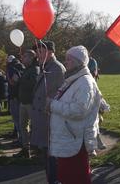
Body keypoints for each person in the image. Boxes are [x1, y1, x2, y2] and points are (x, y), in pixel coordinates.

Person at [49, 45, 103, 184]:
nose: (65, 62)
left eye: (69, 59)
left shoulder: (84, 82)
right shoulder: (73, 79)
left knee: (76, 177)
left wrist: (52, 105)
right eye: (66, 59)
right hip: (69, 137)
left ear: (79, 62)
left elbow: (79, 110)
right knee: (67, 177)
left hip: (75, 140)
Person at [31, 41, 65, 184]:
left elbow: (60, 92)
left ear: (50, 52)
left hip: (50, 117)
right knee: (47, 155)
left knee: (52, 155)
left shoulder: (56, 68)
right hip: (43, 117)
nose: (37, 54)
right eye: (37, 51)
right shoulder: (45, 66)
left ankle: (56, 181)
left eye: (41, 51)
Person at [14, 50, 39, 158]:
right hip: (23, 102)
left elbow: (34, 84)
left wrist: (19, 80)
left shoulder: (35, 69)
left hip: (31, 103)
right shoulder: (27, 69)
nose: (22, 59)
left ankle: (36, 149)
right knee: (22, 126)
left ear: (31, 58)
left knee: (35, 126)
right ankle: (26, 149)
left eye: (24, 57)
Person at [6, 56, 24, 143]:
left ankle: (20, 139)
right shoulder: (23, 66)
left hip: (15, 96)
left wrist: (9, 79)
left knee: (17, 118)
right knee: (22, 119)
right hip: (22, 95)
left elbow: (13, 82)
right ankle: (19, 135)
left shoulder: (11, 68)